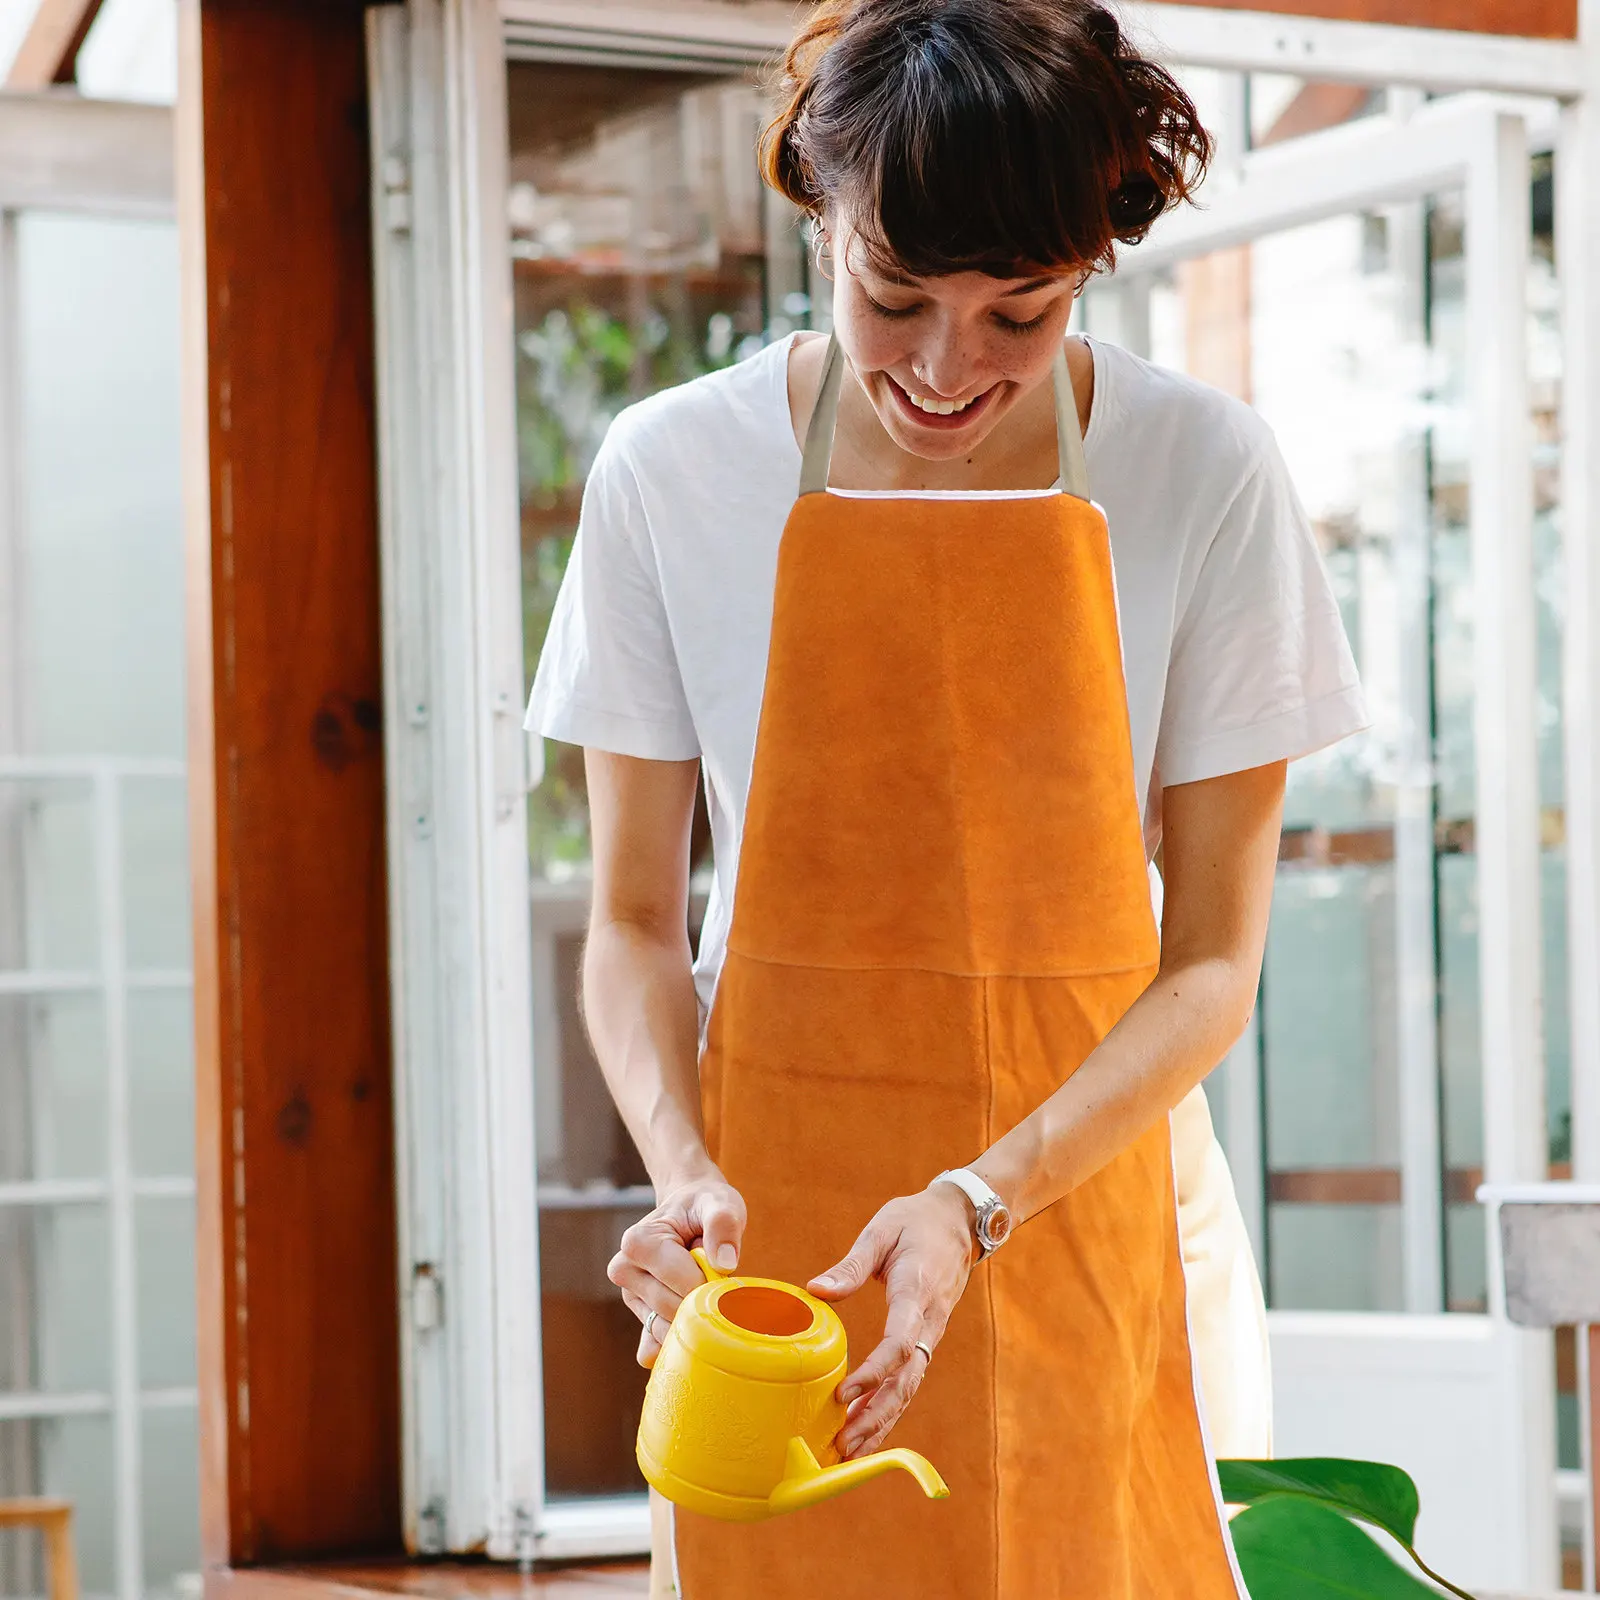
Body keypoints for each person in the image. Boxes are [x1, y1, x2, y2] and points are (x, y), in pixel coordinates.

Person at [526, 1, 1367, 1594]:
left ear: (1092, 264)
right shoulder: (671, 470)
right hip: (785, 1227)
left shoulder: (1204, 469)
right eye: (893, 297)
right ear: (820, 219)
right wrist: (682, 1170)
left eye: (1018, 314)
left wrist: (981, 1198)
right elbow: (632, 921)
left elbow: (1212, 963)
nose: (943, 367)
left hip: (1097, 1198)